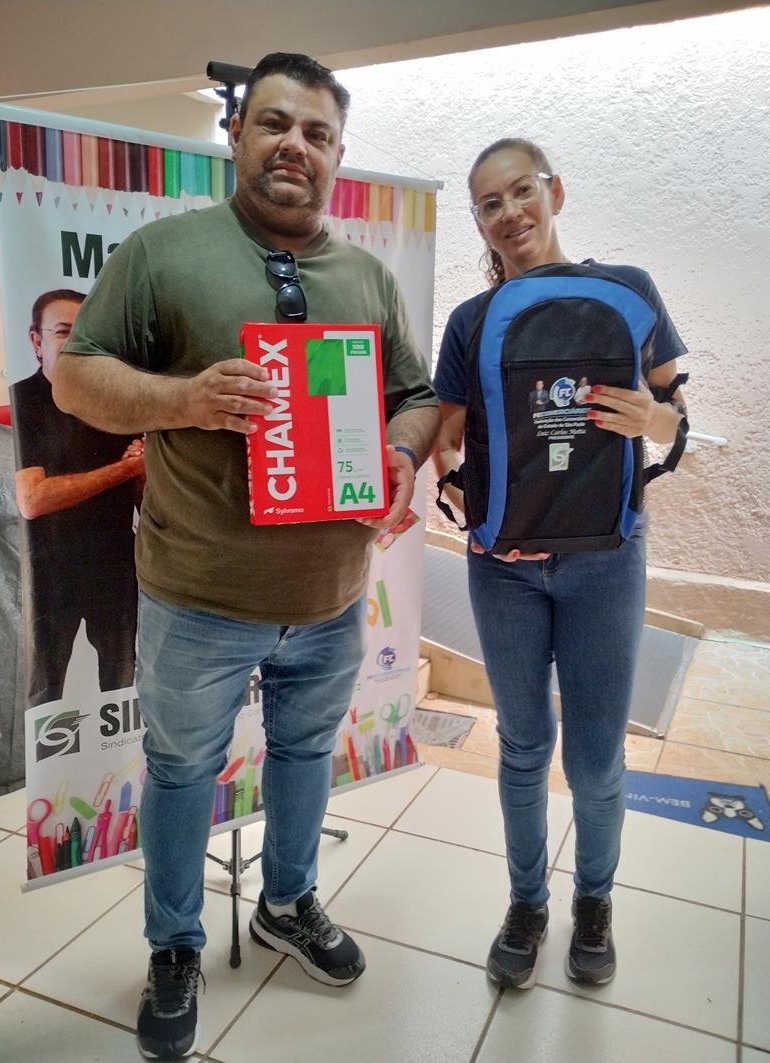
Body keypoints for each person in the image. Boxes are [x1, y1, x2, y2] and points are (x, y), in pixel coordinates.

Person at [53, 53, 439, 1060]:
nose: (293, 146)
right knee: (182, 769)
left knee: (306, 755)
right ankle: (174, 945)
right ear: (236, 135)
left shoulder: (365, 276)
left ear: (337, 154)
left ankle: (287, 901)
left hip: (330, 592)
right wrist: (182, 399)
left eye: (316, 133)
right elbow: (76, 380)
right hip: (199, 593)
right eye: (274, 124)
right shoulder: (164, 253)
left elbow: (417, 393)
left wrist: (401, 453)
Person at [433, 138, 687, 991]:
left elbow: (675, 418)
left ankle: (595, 901)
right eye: (489, 204)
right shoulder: (471, 321)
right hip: (503, 565)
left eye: (521, 191)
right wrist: (456, 491)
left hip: (605, 560)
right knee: (522, 744)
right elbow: (447, 438)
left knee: (596, 758)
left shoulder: (630, 291)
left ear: (556, 191)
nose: (509, 213)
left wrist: (652, 418)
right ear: (479, 222)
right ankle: (527, 902)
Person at [10, 289, 144, 708]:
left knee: (122, 686)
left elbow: (144, 500)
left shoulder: (116, 402)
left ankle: (121, 752)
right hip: (49, 574)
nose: (77, 341)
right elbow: (32, 499)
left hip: (116, 568)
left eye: (85, 331)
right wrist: (125, 469)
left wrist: (147, 467)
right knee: (44, 692)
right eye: (64, 331)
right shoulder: (22, 401)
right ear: (36, 341)